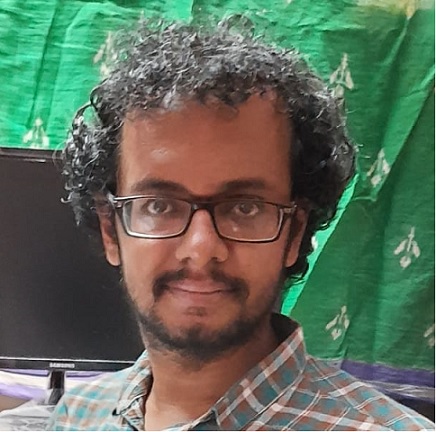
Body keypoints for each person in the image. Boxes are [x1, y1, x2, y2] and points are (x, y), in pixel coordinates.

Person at [47, 20, 434, 431]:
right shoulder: (79, 415)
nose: (200, 248)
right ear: (111, 230)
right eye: (159, 205)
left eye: (245, 208)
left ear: (294, 233)